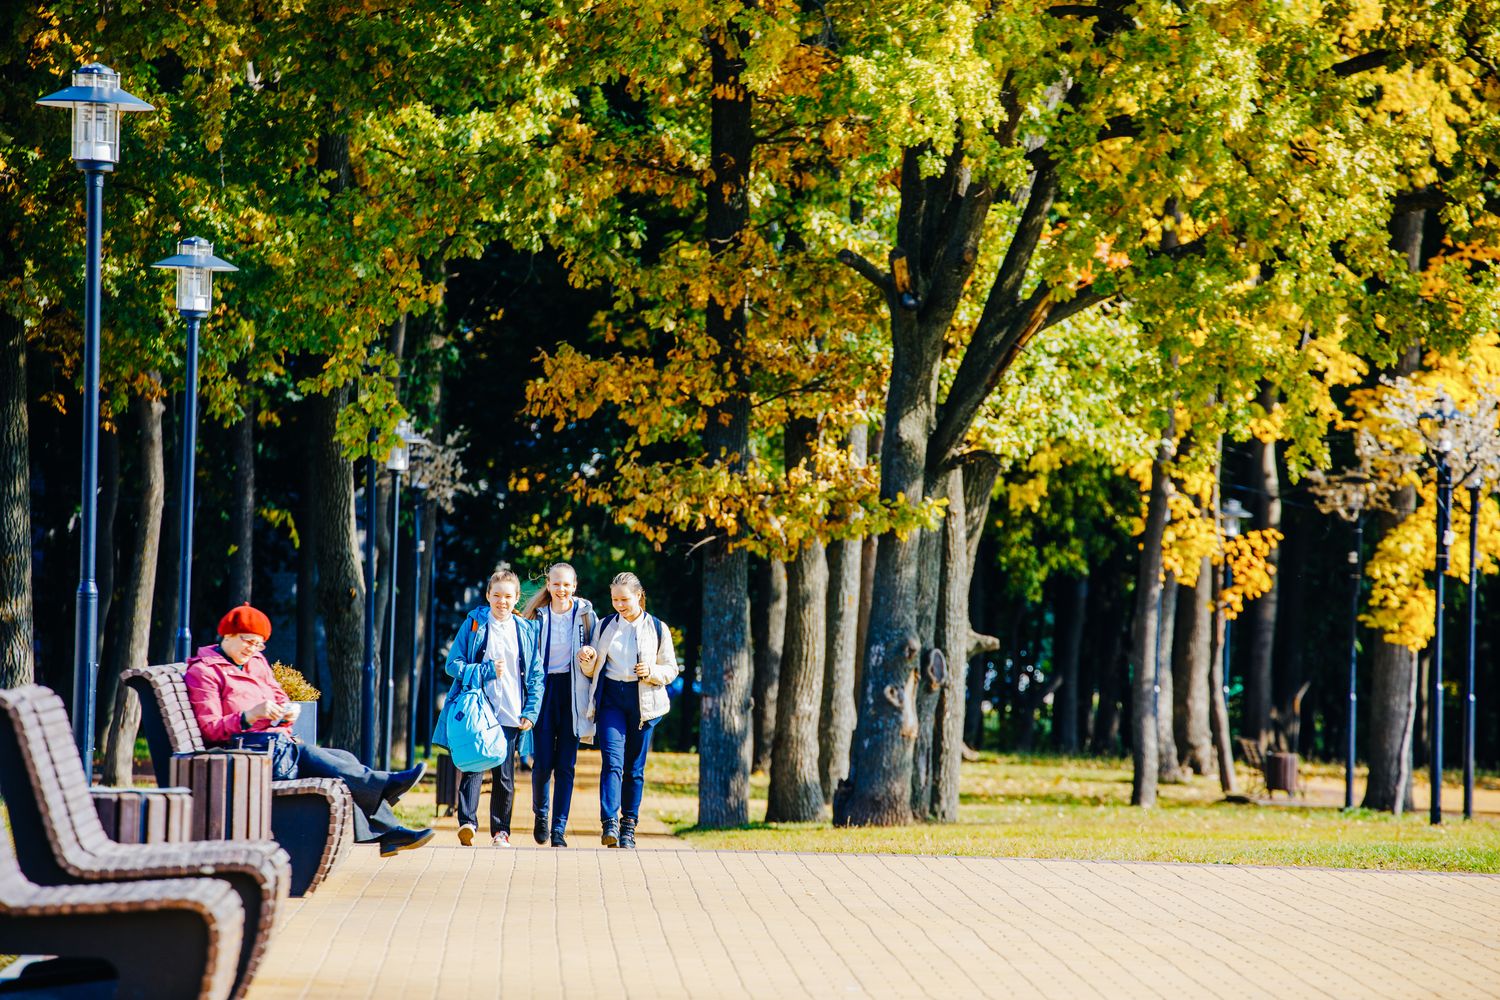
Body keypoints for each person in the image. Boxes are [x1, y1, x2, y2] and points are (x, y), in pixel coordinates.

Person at [184, 604, 433, 857]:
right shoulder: (204, 671)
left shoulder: (256, 662)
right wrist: (248, 717)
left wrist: (287, 710)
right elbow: (210, 729)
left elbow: (278, 695)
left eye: (259, 644)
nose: (253, 649)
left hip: (274, 746)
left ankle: (389, 831)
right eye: (248, 641)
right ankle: (385, 789)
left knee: (344, 760)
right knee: (319, 759)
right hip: (244, 756)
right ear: (228, 635)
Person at [441, 569, 543, 847]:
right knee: (473, 766)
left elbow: (535, 675)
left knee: (504, 774)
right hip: (477, 709)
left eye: (508, 596)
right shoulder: (474, 624)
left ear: (517, 598)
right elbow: (453, 665)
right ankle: (467, 823)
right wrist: (484, 670)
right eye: (496, 595)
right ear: (487, 595)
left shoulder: (525, 630)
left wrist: (531, 711)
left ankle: (501, 831)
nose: (502, 601)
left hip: (511, 710)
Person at [577, 572, 678, 849]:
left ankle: (628, 827)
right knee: (612, 761)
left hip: (643, 701)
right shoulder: (605, 625)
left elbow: (671, 669)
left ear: (639, 596)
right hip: (611, 698)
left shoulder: (657, 628)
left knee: (635, 768)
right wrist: (587, 659)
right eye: (615, 600)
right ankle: (609, 822)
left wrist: (652, 672)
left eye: (624, 599)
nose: (619, 605)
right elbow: (592, 669)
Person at [520, 562, 600, 847]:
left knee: (566, 764)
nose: (561, 589)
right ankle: (541, 814)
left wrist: (590, 655)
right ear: (548, 586)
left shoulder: (587, 616)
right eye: (556, 584)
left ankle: (559, 828)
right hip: (544, 691)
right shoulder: (537, 617)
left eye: (566, 584)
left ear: (574, 586)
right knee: (543, 762)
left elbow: (597, 655)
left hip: (573, 692)